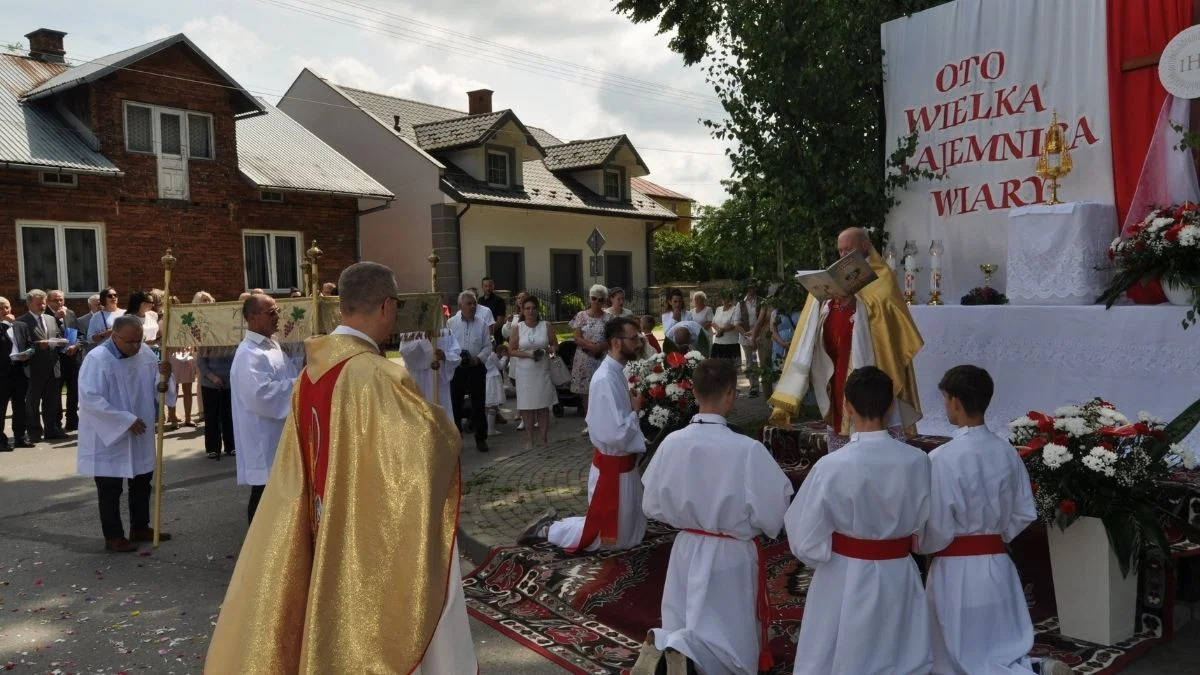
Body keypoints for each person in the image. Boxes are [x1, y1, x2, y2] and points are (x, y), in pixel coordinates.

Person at [205, 261, 477, 674]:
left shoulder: (312, 374)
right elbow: (427, 452)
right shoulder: (378, 376)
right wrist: (445, 430)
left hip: (321, 516)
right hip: (365, 527)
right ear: (387, 306)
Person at [635, 358, 793, 675]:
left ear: (694, 392)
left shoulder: (671, 443)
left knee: (683, 615)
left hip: (685, 546)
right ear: (731, 395)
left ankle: (673, 647)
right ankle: (693, 656)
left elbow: (650, 503)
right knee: (729, 636)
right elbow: (775, 510)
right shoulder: (747, 450)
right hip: (731, 552)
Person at [917, 366, 1072, 675]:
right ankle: (1033, 667)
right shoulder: (1007, 452)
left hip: (955, 570)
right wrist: (996, 538)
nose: (946, 405)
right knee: (998, 643)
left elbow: (935, 525)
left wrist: (923, 544)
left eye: (946, 399)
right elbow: (1025, 511)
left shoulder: (940, 459)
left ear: (956, 402)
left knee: (954, 657)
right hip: (999, 566)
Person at [784, 366, 932, 674]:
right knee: (898, 650)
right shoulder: (918, 461)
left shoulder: (831, 466)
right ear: (891, 405)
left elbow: (803, 532)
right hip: (898, 573)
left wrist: (824, 555)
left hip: (843, 573)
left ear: (847, 405)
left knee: (837, 649)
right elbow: (932, 527)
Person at [770, 227, 924, 440]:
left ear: (865, 246)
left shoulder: (882, 275)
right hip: (834, 358)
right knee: (838, 412)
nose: (843, 255)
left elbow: (886, 316)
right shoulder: (835, 275)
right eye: (840, 251)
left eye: (847, 250)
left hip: (869, 361)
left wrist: (856, 305)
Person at [520, 317, 647, 552]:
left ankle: (563, 523)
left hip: (623, 467)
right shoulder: (605, 379)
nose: (639, 342)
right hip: (612, 470)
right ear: (616, 343)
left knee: (631, 534)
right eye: (634, 338)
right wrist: (636, 411)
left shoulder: (616, 371)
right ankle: (549, 529)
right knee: (605, 539)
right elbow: (616, 434)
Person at [76, 314, 174, 552]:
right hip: (108, 434)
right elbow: (90, 398)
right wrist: (124, 421)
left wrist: (165, 376)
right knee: (110, 487)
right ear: (114, 335)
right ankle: (113, 536)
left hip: (140, 432)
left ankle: (140, 526)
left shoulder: (146, 354)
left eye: (139, 340)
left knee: (142, 481)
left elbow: (156, 388)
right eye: (130, 342)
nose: (136, 346)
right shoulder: (97, 359)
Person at [230, 294, 298, 523]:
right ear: (251, 317)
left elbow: (287, 374)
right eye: (271, 312)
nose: (277, 316)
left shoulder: (271, 345)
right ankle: (257, 551)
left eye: (277, 310)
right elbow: (260, 395)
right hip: (263, 437)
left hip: (279, 433)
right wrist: (300, 384)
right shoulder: (248, 354)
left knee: (276, 496)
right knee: (263, 497)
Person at [15, 290, 66, 443]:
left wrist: (60, 341)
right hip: (33, 368)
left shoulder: (50, 319)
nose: (43, 306)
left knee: (51, 401)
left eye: (44, 303)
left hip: (52, 366)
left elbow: (56, 336)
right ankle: (34, 432)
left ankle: (51, 429)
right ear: (29, 304)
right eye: (39, 304)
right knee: (32, 402)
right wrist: (38, 348)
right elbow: (21, 347)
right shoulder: (21, 322)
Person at [509, 295, 558, 449]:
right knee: (527, 407)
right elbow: (511, 350)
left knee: (543, 406)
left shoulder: (546, 325)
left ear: (538, 310)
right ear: (522, 310)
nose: (531, 311)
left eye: (533, 308)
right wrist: (528, 355)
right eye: (527, 308)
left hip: (542, 370)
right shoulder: (518, 327)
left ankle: (543, 438)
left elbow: (555, 345)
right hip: (525, 372)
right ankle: (529, 439)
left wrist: (547, 351)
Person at [447, 290, 494, 453]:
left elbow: (488, 346)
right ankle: (456, 439)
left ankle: (481, 438)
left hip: (476, 368)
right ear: (460, 306)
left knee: (479, 404)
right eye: (469, 303)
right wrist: (455, 357)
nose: (473, 306)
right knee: (455, 405)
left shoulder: (482, 323)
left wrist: (477, 359)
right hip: (457, 369)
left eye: (474, 303)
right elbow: (445, 345)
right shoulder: (451, 323)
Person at [396, 328, 462, 423]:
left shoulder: (445, 331)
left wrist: (445, 356)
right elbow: (405, 352)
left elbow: (456, 354)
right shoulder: (410, 331)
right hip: (420, 384)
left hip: (440, 387)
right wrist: (426, 344)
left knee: (442, 422)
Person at [569, 285, 611, 429]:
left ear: (605, 301)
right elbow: (576, 337)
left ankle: (603, 421)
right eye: (594, 298)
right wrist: (590, 346)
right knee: (586, 392)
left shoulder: (609, 318)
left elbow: (612, 338)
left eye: (600, 299)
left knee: (602, 390)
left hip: (602, 358)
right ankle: (590, 423)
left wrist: (599, 347)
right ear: (590, 298)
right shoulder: (581, 315)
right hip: (584, 358)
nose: (597, 302)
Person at [47, 290, 82, 431]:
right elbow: (46, 334)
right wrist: (55, 318)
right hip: (56, 359)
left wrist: (76, 346)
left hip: (72, 358)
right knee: (55, 392)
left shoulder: (71, 313)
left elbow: (79, 334)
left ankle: (72, 419)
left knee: (74, 390)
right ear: (48, 301)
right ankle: (56, 422)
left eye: (61, 299)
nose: (59, 303)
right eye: (55, 300)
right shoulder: (46, 315)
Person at [1, 297, 30, 450]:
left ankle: (20, 437)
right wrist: (5, 325)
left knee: (20, 407)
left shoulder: (21, 326)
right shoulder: (3, 327)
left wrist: (28, 354)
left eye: (7, 307)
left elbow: (29, 344)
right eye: (1, 309)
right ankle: (1, 441)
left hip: (19, 370)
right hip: (2, 374)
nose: (5, 311)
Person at [197, 347, 236, 460]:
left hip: (230, 382)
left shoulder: (232, 338)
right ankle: (213, 448)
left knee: (229, 416)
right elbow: (201, 362)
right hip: (210, 384)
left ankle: (231, 445)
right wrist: (212, 377)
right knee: (212, 417)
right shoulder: (206, 340)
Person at [739, 281, 765, 398]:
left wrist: (755, 333)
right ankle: (753, 386)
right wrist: (747, 335)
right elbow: (736, 323)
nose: (751, 290)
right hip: (746, 337)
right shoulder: (740, 303)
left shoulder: (762, 301)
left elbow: (764, 319)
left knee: (763, 361)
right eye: (749, 288)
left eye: (753, 287)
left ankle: (765, 386)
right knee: (750, 363)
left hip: (761, 335)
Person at [710, 288, 744, 365]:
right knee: (717, 367)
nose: (724, 298)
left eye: (726, 296)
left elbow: (733, 325)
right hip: (718, 343)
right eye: (723, 296)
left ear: (730, 298)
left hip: (731, 343)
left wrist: (721, 330)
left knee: (730, 369)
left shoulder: (735, 309)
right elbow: (713, 322)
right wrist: (719, 330)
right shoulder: (718, 309)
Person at [485, 343, 508, 435]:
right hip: (493, 380)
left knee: (487, 405)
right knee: (493, 404)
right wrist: (504, 357)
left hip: (486, 379)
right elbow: (500, 366)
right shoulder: (492, 355)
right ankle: (490, 430)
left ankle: (488, 428)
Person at [478, 276, 507, 344]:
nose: (488, 288)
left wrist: (487, 332)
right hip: (480, 337)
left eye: (490, 286)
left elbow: (500, 321)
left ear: (493, 286)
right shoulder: (479, 301)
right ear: (482, 287)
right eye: (486, 286)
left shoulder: (499, 301)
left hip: (495, 336)